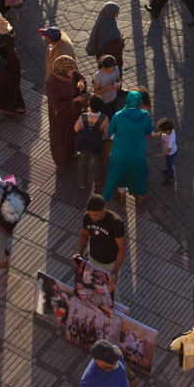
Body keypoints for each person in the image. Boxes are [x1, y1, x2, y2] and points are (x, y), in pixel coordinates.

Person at [41, 29, 86, 171]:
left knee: (73, 134)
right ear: (63, 69)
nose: (74, 71)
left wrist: (81, 84)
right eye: (71, 70)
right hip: (61, 118)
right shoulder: (53, 83)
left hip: (73, 114)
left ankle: (72, 153)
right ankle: (61, 163)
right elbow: (56, 104)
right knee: (61, 139)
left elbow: (80, 76)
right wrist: (75, 100)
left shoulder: (69, 70)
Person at [100, 90, 153, 201]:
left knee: (119, 172)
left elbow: (110, 133)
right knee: (140, 173)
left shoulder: (118, 115)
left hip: (119, 151)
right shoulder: (145, 115)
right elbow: (149, 130)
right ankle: (141, 196)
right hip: (137, 152)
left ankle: (121, 195)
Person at [78, 194, 127, 275]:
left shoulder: (116, 223)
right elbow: (84, 234)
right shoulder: (87, 217)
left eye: (95, 215)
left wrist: (115, 271)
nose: (92, 218)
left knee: (109, 288)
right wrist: (80, 254)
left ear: (104, 209)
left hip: (110, 265)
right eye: (90, 214)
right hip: (92, 260)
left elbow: (122, 247)